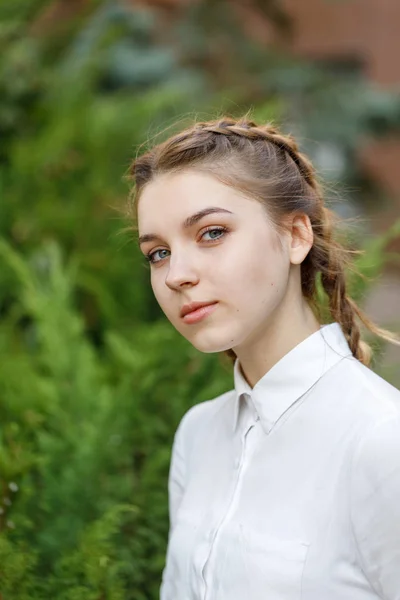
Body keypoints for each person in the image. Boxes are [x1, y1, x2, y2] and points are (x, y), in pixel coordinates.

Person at [128, 115, 400, 600]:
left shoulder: (381, 439)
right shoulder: (199, 433)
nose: (176, 275)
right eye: (158, 253)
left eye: (211, 233)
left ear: (296, 236)